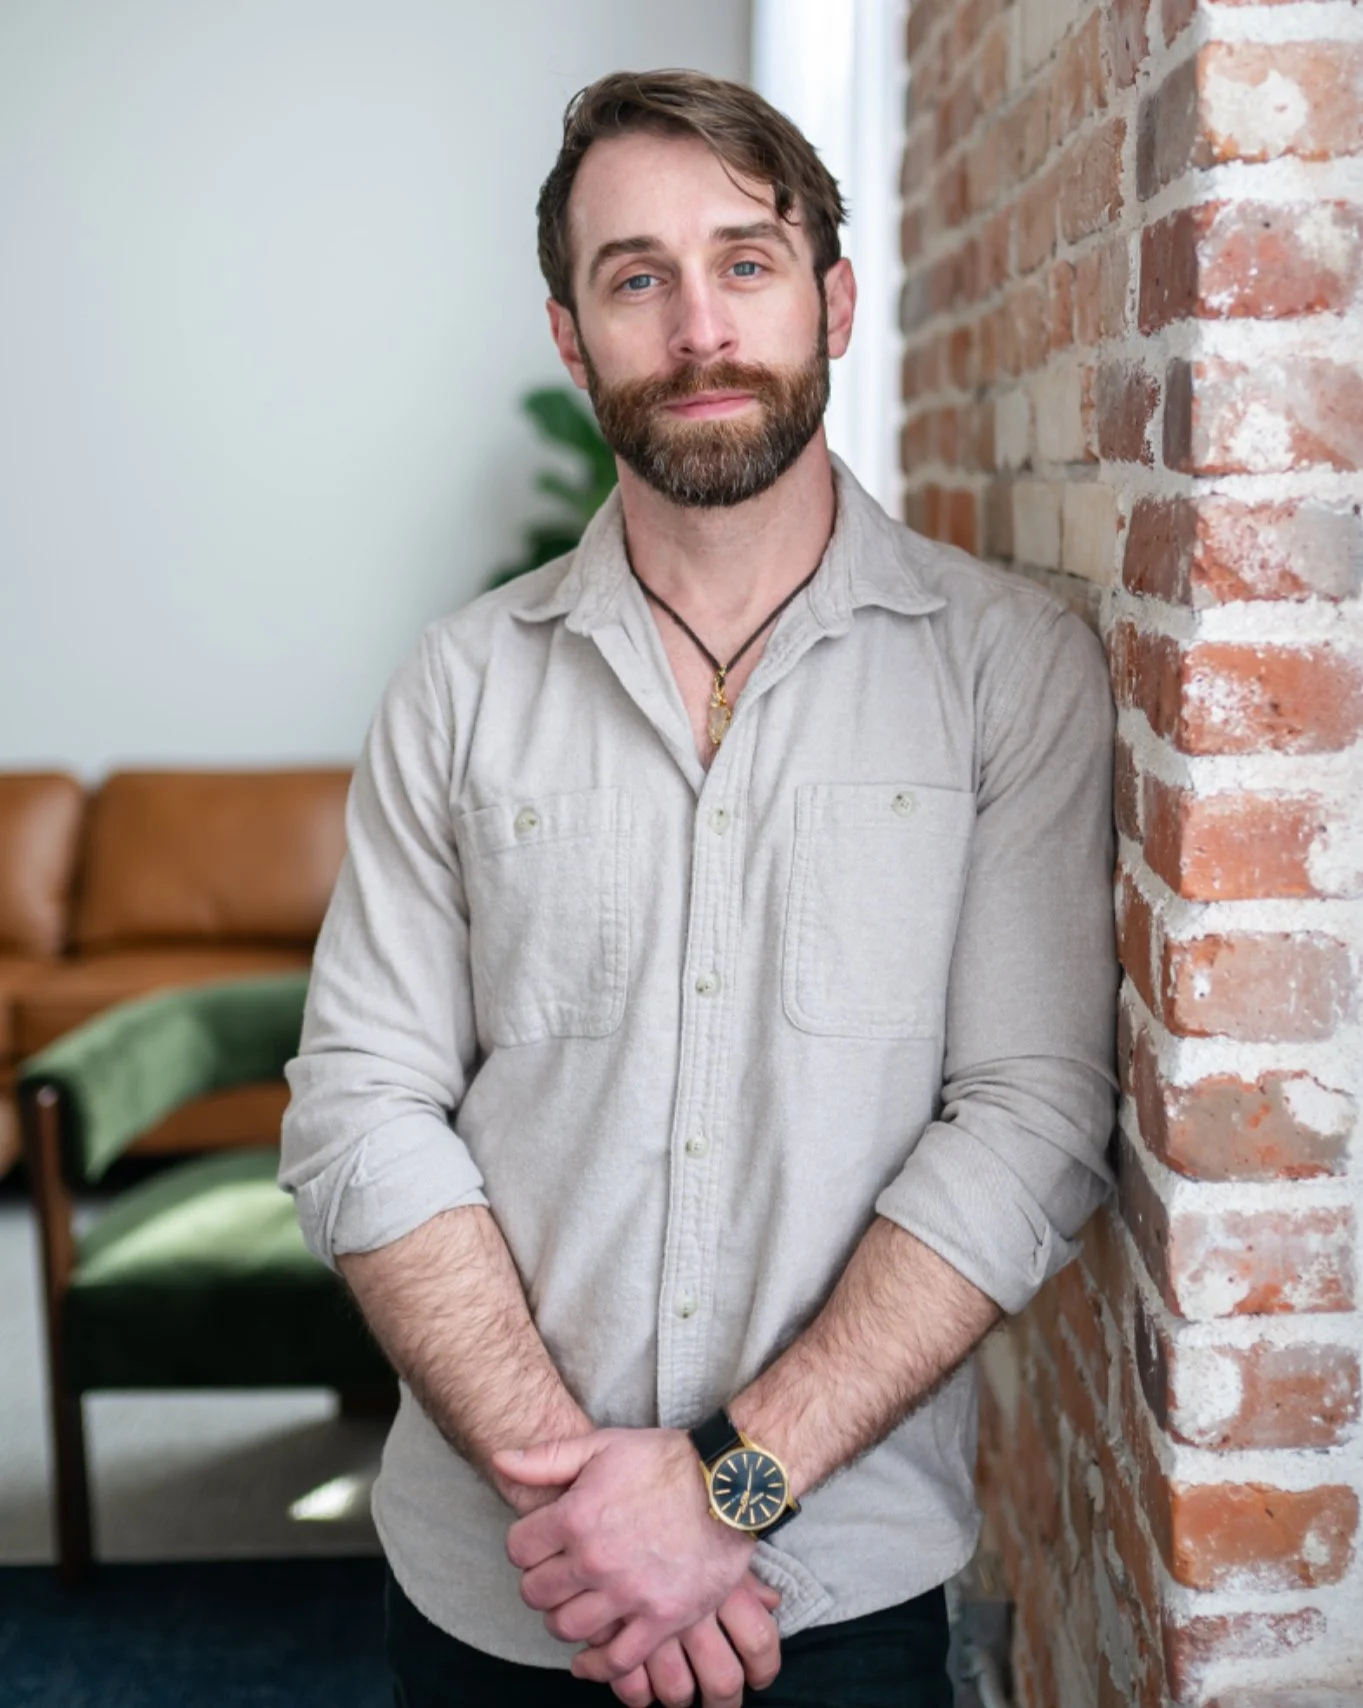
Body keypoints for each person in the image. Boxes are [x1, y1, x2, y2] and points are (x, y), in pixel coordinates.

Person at [280, 68, 1117, 1708]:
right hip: (504, 1587)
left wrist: (728, 1488)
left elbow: (1027, 1119)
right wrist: (589, 1512)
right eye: (634, 276)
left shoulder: (1006, 674)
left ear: (834, 297)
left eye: (744, 261)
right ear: (569, 333)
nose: (698, 327)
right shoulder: (458, 686)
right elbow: (359, 1107)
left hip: (837, 1592)